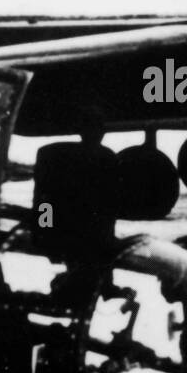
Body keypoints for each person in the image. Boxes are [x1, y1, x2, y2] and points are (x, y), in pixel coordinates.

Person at [32, 107, 121, 265]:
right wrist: (43, 232)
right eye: (92, 127)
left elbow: (111, 206)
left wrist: (43, 230)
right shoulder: (106, 158)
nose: (97, 133)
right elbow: (44, 199)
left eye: (99, 128)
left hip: (91, 235)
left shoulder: (107, 158)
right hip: (75, 234)